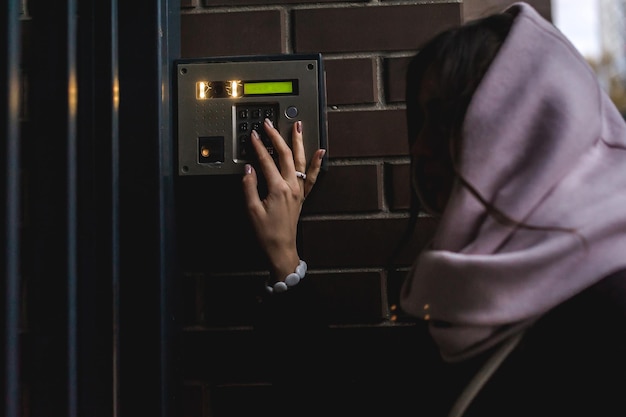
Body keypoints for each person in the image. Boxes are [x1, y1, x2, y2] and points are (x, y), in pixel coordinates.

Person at [242, 2, 626, 416]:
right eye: (421, 121)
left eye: (451, 122)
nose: (421, 147)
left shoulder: (610, 304)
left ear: (535, 129)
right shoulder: (466, 279)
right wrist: (285, 258)